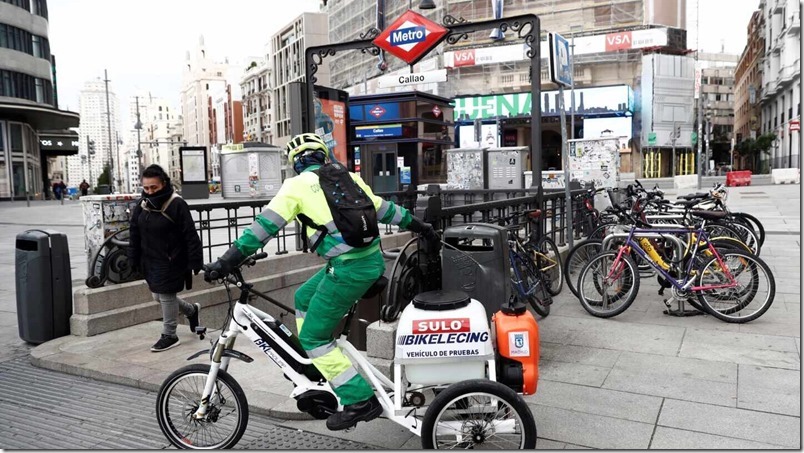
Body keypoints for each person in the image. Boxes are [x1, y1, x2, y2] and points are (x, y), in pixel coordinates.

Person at [204, 133, 437, 431]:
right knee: (303, 297)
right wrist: (422, 227)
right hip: (371, 262)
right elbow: (386, 210)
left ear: (295, 163)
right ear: (323, 155)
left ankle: (358, 400)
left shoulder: (296, 186)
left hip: (347, 270)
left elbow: (262, 228)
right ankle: (313, 363)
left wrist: (226, 261)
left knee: (315, 338)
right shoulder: (349, 178)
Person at [127, 164, 204, 352]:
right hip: (150, 259)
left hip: (172, 259)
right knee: (157, 296)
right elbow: (134, 232)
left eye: (154, 187)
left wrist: (195, 261)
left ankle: (170, 334)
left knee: (167, 294)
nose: (150, 191)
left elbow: (190, 234)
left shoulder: (176, 204)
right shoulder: (142, 205)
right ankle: (191, 310)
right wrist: (133, 258)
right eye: (146, 188)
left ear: (164, 183)